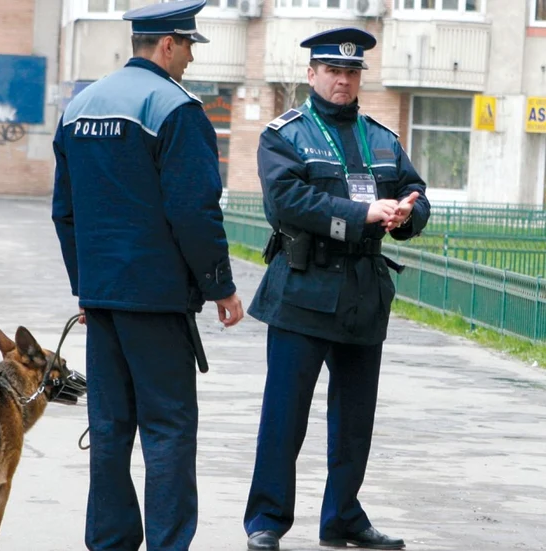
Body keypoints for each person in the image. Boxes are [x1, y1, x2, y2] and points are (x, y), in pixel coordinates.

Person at [51, 1, 244, 549]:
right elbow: (194, 210)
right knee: (169, 430)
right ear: (167, 45)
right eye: (187, 48)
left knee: (110, 427)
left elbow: (64, 211)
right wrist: (220, 285)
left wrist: (84, 288)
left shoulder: (79, 106)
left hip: (103, 299)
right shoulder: (176, 108)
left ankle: (110, 541)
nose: (188, 61)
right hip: (157, 302)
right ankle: (167, 543)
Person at [244, 27, 431, 551]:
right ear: (312, 75)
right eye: (332, 71)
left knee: (354, 422)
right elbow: (287, 202)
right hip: (303, 286)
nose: (342, 80)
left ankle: (343, 518)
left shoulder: (382, 138)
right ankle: (266, 521)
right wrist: (362, 212)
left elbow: (415, 190)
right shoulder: (283, 134)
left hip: (362, 292)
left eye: (351, 72)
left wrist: (409, 211)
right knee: (284, 417)